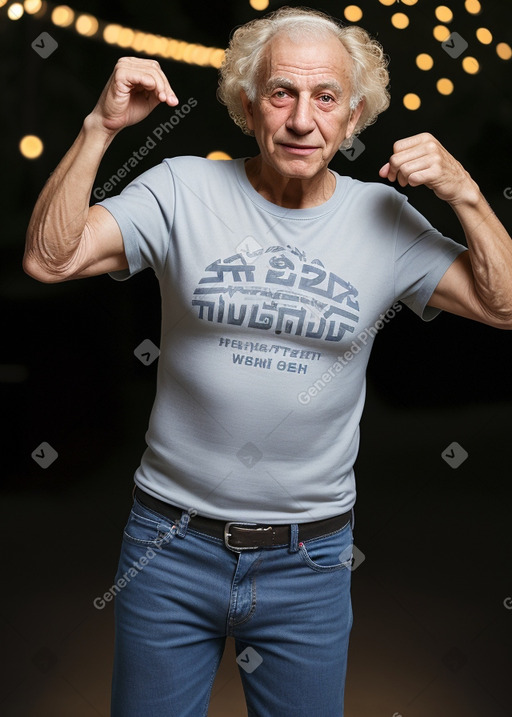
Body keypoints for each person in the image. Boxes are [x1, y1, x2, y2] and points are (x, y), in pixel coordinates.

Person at [23, 6, 512, 716]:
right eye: (281, 93)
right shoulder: (181, 189)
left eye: (326, 99)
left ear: (353, 117)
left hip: (309, 560)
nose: (301, 120)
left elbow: (504, 304)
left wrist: (465, 193)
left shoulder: (384, 220)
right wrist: (101, 128)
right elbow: (49, 256)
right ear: (248, 106)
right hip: (168, 544)